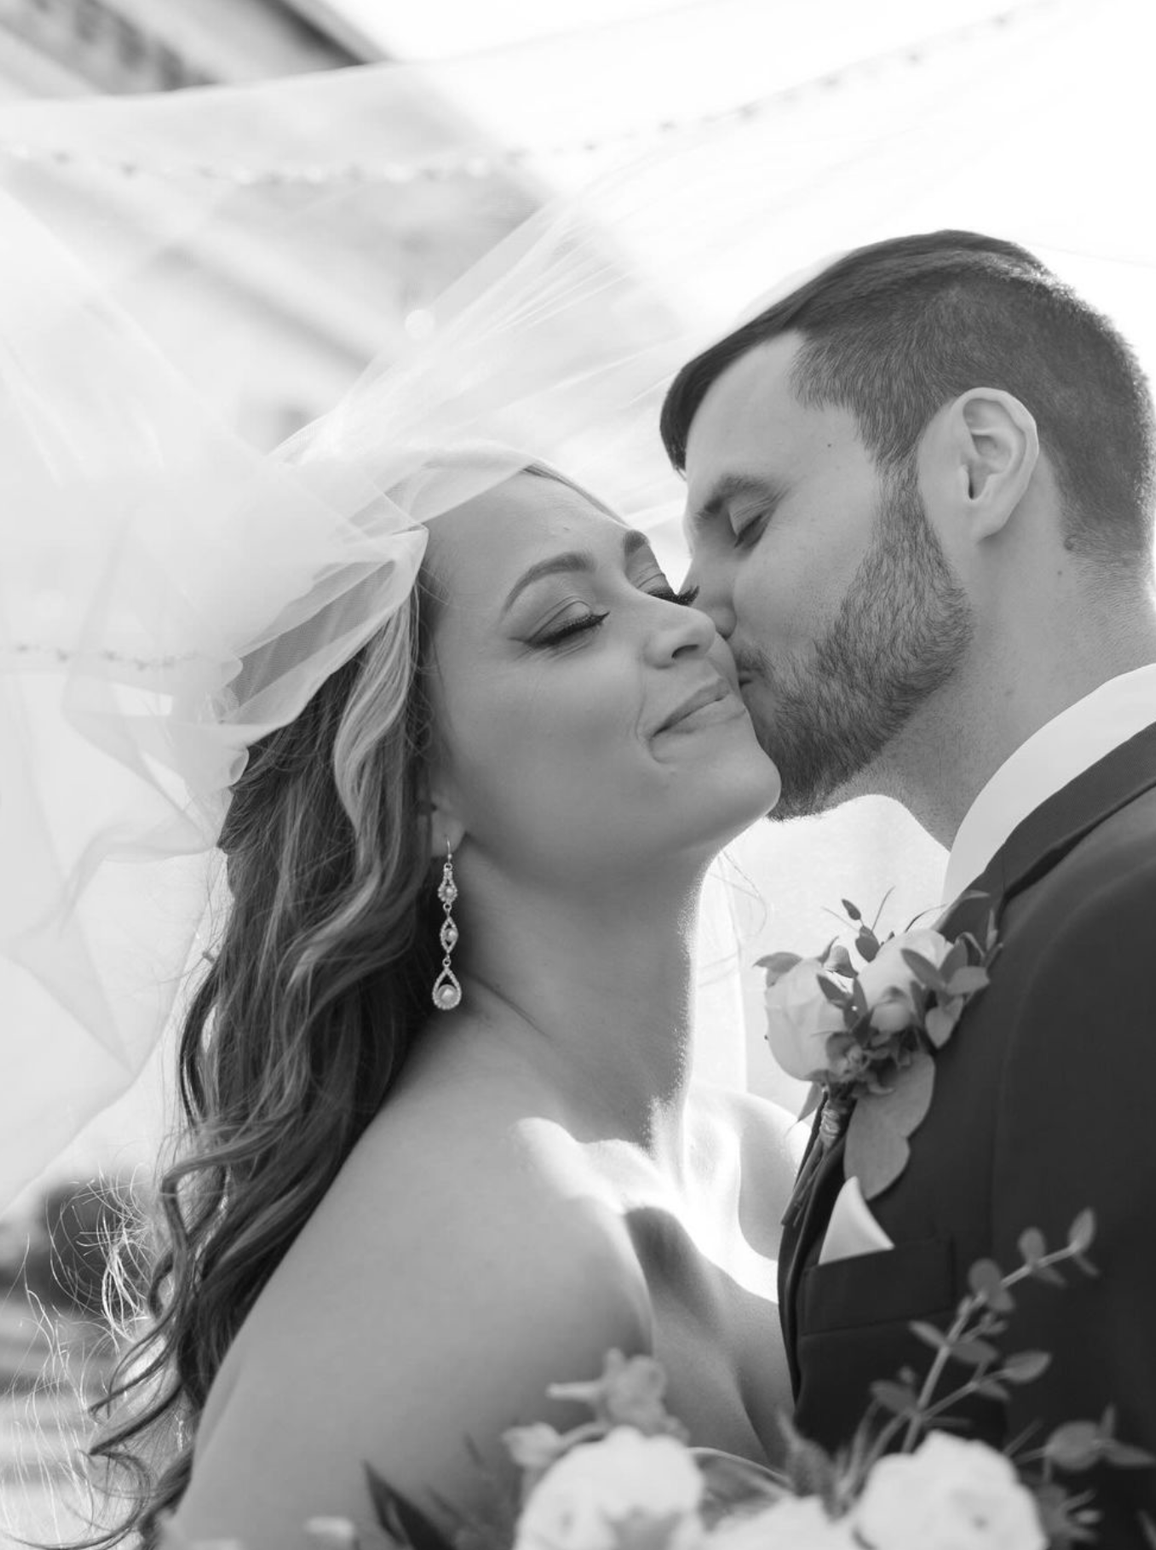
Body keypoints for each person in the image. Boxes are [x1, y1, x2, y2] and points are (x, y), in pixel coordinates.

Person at [87, 455, 798, 1550]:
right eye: (566, 622)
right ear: (420, 794)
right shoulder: (487, 1242)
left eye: (654, 578)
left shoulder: (765, 1162)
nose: (680, 624)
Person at [662, 230, 1156, 1544]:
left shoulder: (1127, 921)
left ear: (978, 467)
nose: (690, 611)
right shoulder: (1049, 906)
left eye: (746, 521)